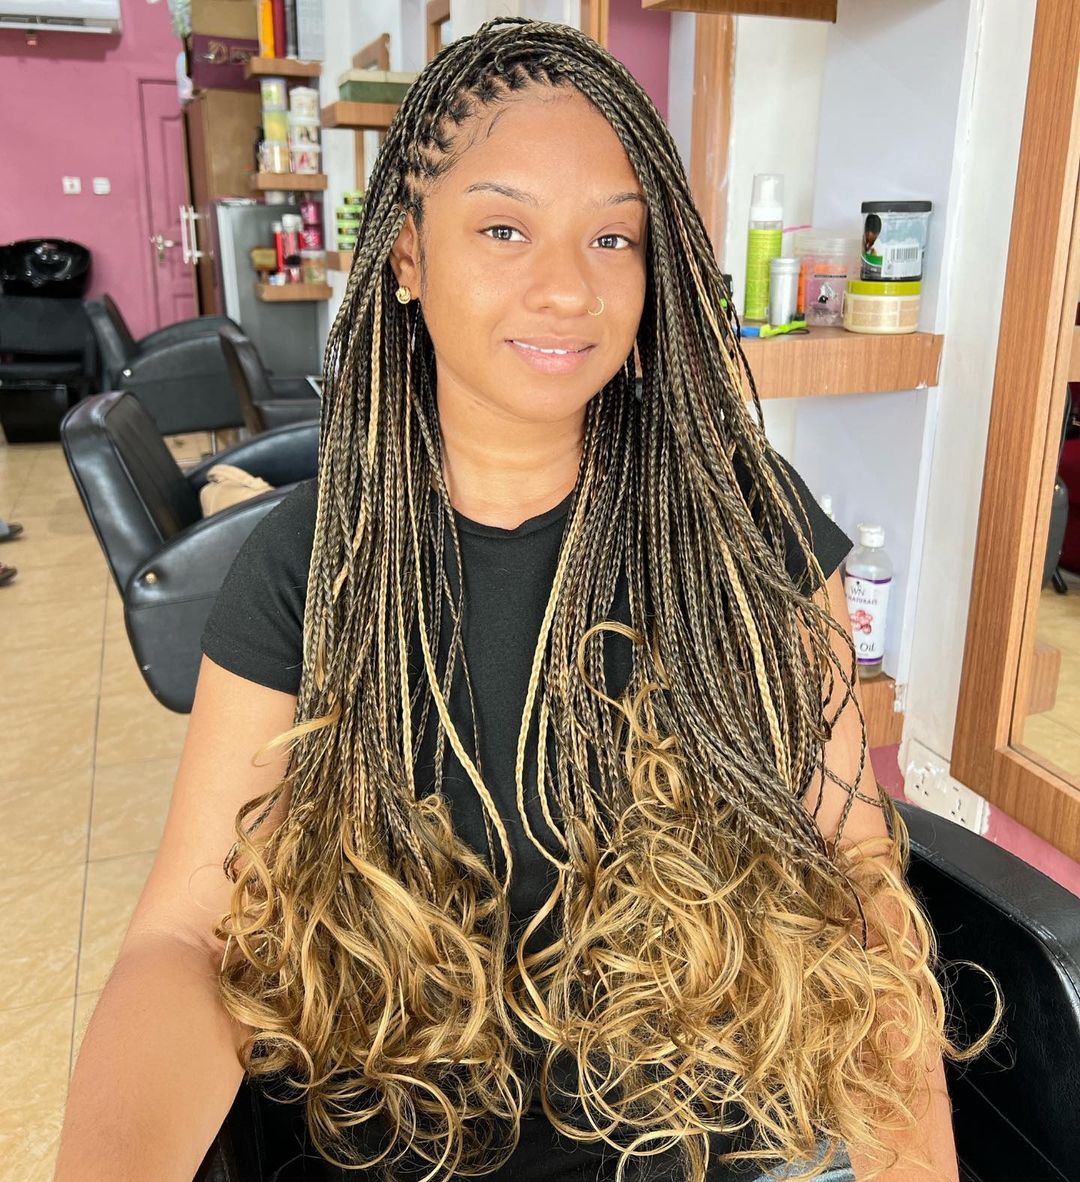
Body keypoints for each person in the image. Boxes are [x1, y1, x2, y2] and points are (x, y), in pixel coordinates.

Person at [55, 18, 996, 1182]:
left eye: (613, 237)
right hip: (412, 1145)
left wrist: (914, 1159)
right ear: (407, 256)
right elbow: (187, 935)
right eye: (504, 229)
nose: (566, 288)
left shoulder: (746, 523)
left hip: (713, 1140)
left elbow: (850, 866)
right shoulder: (314, 566)